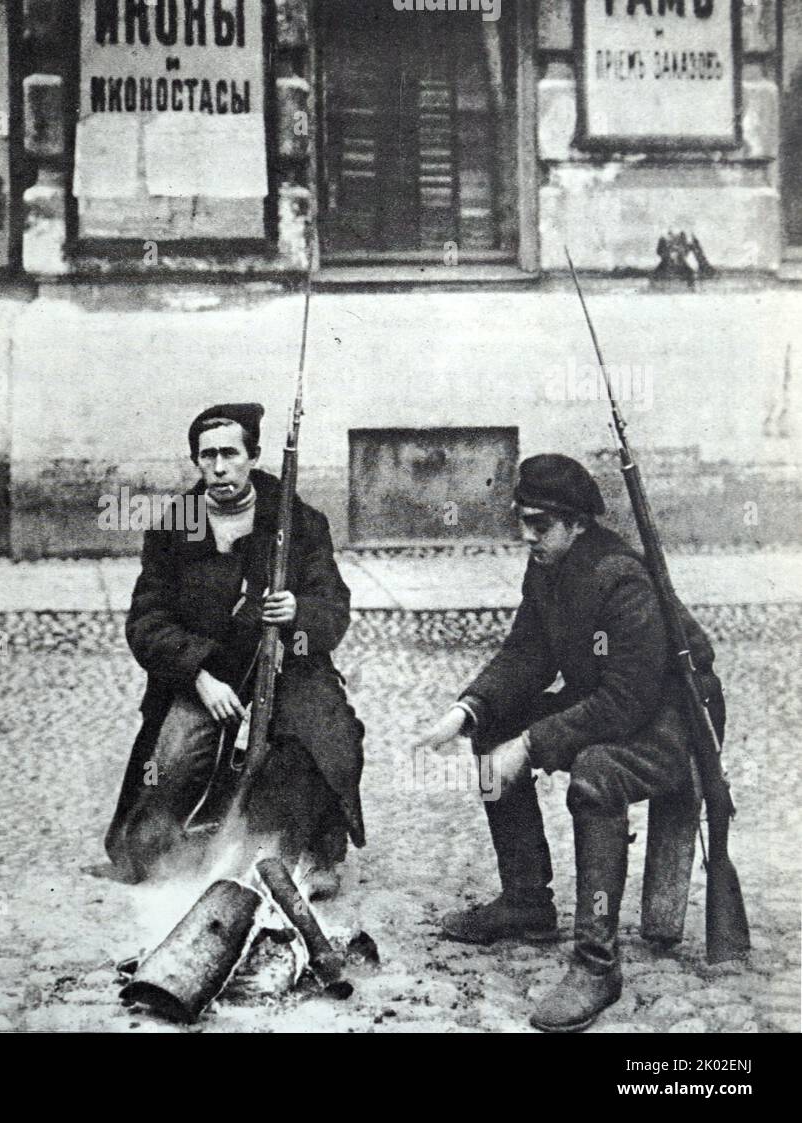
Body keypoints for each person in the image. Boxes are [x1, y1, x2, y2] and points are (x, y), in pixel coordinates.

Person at [413, 454, 724, 1032]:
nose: (525, 535)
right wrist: (467, 710)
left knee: (595, 776)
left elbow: (627, 699)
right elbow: (528, 651)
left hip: (671, 720)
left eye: (539, 524)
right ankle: (527, 901)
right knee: (493, 730)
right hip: (616, 703)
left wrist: (532, 745)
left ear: (577, 523)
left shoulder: (621, 577)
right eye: (521, 521)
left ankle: (596, 964)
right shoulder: (549, 564)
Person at [104, 404, 366, 900]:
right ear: (196, 462)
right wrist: (199, 675)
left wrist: (298, 611)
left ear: (254, 457)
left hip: (288, 668)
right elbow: (146, 621)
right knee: (172, 768)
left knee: (320, 739)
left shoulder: (301, 522)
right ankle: (201, 836)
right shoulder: (174, 526)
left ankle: (310, 851)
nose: (219, 467)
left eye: (230, 454)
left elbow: (334, 611)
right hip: (208, 675)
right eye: (208, 457)